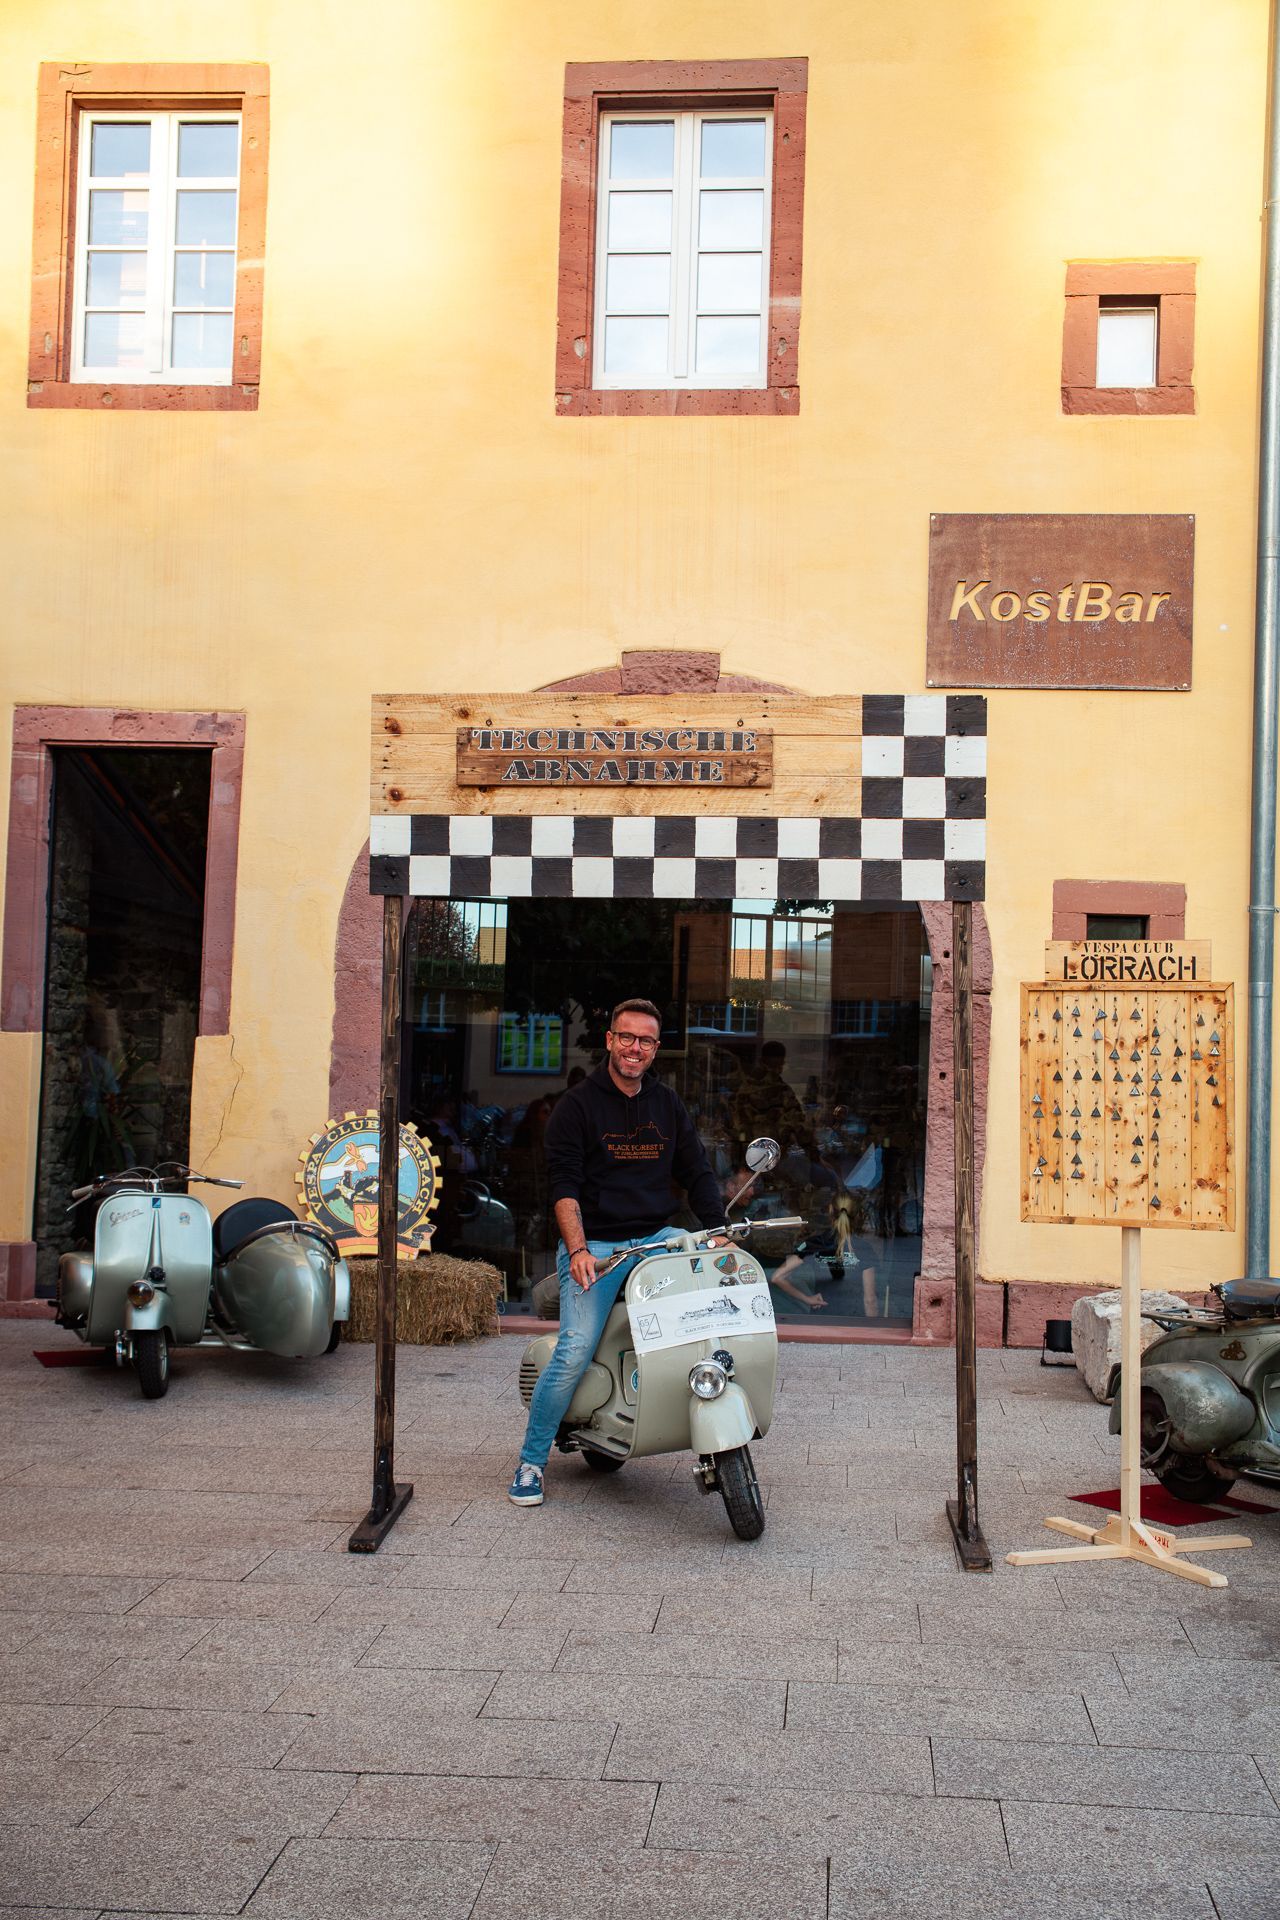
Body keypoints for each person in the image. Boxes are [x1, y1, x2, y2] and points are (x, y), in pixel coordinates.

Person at [507, 997, 728, 1507]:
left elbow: (696, 1171)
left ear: (656, 1049)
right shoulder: (577, 1106)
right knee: (574, 1350)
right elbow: (564, 1185)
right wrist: (578, 1249)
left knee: (708, 1307)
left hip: (654, 1238)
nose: (635, 1048)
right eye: (626, 1037)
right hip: (600, 1245)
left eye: (645, 1040)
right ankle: (531, 1461)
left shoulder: (667, 1104)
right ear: (610, 1040)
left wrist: (717, 1229)